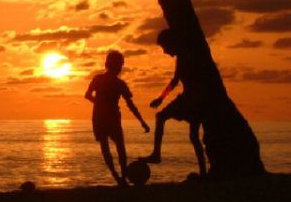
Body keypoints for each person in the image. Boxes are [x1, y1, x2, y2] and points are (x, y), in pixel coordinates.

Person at [141, 29, 206, 178]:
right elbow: (175, 81)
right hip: (195, 99)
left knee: (161, 117)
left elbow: (176, 81)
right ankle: (203, 172)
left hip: (191, 99)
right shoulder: (184, 57)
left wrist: (161, 99)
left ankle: (156, 154)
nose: (164, 51)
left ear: (172, 43)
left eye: (165, 47)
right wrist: (161, 98)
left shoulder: (185, 57)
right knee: (194, 137)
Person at [85, 51, 150, 186]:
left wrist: (97, 103)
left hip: (100, 117)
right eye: (120, 64)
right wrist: (142, 122)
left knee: (108, 149)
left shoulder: (99, 79)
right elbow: (131, 105)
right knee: (119, 148)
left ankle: (119, 177)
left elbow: (88, 95)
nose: (120, 67)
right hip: (109, 117)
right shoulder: (118, 83)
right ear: (117, 66)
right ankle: (122, 177)